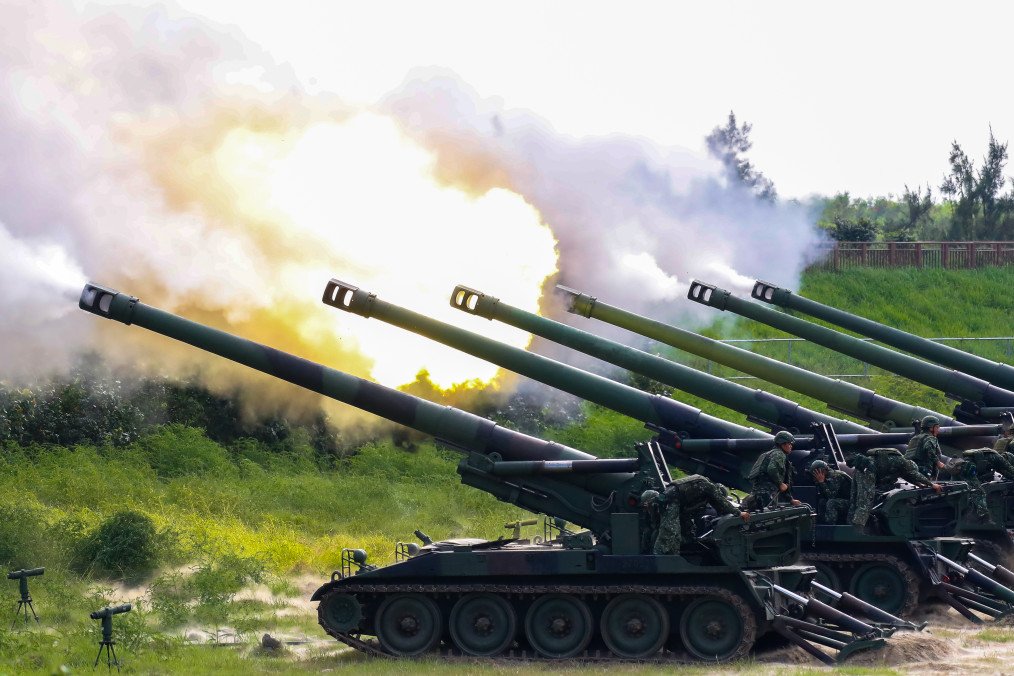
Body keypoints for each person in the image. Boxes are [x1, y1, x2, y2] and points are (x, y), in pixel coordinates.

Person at [640, 475, 749, 555]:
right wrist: (739, 513)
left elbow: (718, 507)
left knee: (687, 534)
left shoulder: (700, 487)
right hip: (673, 501)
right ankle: (661, 558)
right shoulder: (709, 487)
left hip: (679, 505)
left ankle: (678, 552)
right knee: (670, 531)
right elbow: (722, 503)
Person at [850, 447, 941, 529]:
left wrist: (919, 484)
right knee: (866, 500)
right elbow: (914, 475)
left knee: (855, 498)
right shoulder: (905, 463)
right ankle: (858, 529)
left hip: (861, 467)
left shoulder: (898, 463)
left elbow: (908, 476)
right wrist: (932, 485)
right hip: (869, 470)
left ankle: (850, 524)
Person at [941, 447, 1014, 523]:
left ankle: (956, 513)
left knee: (955, 491)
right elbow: (1010, 470)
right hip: (968, 468)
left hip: (959, 467)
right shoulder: (999, 458)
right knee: (979, 491)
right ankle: (984, 518)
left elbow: (1005, 472)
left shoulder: (990, 456)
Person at [743, 431, 801, 511]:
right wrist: (780, 484)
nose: (791, 446)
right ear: (783, 444)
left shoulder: (766, 454)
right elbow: (772, 469)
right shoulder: (779, 454)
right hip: (768, 495)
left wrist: (790, 500)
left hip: (756, 494)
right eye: (789, 444)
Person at [809, 459, 852, 524]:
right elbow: (824, 495)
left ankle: (830, 526)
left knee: (831, 502)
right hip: (841, 501)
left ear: (822, 470)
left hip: (851, 503)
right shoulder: (826, 477)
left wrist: (821, 482)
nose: (815, 475)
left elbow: (831, 496)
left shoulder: (836, 476)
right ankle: (822, 524)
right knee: (822, 501)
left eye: (816, 472)